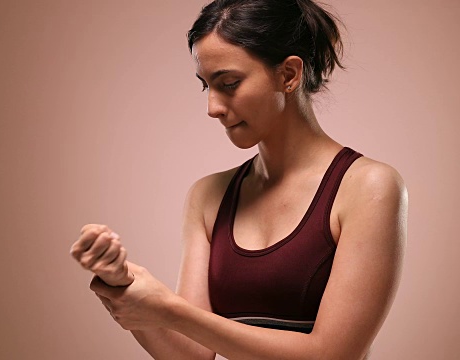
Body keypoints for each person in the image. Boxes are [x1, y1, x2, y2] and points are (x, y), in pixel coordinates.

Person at [70, 0, 408, 359]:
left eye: (229, 83)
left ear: (289, 75)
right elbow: (190, 354)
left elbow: (333, 355)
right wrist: (123, 289)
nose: (212, 107)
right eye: (206, 86)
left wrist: (168, 308)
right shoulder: (209, 195)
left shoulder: (368, 187)